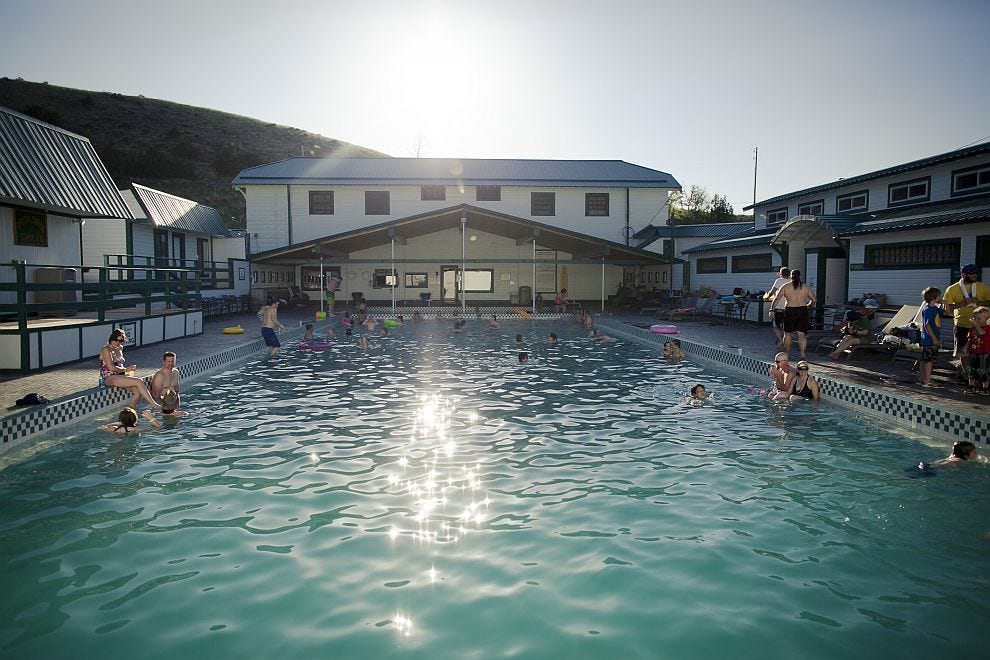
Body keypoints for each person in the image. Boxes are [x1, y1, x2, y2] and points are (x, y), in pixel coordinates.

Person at [99, 329, 159, 409]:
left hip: (120, 375)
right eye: (116, 340)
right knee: (139, 381)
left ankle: (129, 412)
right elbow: (111, 367)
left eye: (120, 341)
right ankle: (154, 405)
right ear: (111, 339)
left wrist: (128, 369)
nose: (117, 343)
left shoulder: (119, 348)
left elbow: (120, 365)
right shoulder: (106, 349)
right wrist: (126, 370)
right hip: (108, 377)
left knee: (137, 392)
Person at [943, 265, 990, 363]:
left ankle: (977, 374)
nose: (975, 275)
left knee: (981, 351)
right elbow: (946, 309)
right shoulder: (952, 289)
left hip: (981, 325)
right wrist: (961, 304)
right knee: (962, 352)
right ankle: (966, 374)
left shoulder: (983, 287)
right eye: (972, 273)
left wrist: (980, 302)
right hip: (961, 324)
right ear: (963, 275)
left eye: (976, 273)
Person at [770, 269, 817, 360]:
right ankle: (802, 354)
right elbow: (814, 300)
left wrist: (772, 309)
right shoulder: (805, 287)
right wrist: (808, 305)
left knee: (787, 334)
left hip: (790, 310)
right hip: (802, 310)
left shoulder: (785, 286)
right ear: (800, 276)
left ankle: (787, 353)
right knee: (802, 334)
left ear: (791, 276)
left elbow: (776, 299)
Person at [918, 286, 943, 388]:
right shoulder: (929, 310)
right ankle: (927, 381)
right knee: (929, 360)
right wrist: (934, 339)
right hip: (930, 339)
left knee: (925, 359)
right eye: (939, 297)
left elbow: (947, 312)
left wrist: (945, 304)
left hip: (928, 339)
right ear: (934, 298)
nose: (940, 298)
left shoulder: (934, 308)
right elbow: (927, 325)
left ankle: (922, 379)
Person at [764, 267, 791, 348]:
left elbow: (772, 291)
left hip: (778, 307)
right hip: (789, 307)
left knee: (776, 326)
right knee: (785, 326)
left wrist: (767, 297)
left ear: (781, 273)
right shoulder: (791, 281)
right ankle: (784, 340)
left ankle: (781, 341)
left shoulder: (779, 281)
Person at [965, 306, 990, 395]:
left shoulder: (988, 328)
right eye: (975, 318)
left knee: (984, 370)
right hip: (973, 352)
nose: (977, 320)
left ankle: (985, 387)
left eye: (979, 318)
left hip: (984, 353)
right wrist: (965, 349)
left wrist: (976, 325)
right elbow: (970, 340)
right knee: (972, 369)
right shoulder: (972, 329)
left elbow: (982, 333)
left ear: (986, 318)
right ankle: (971, 385)